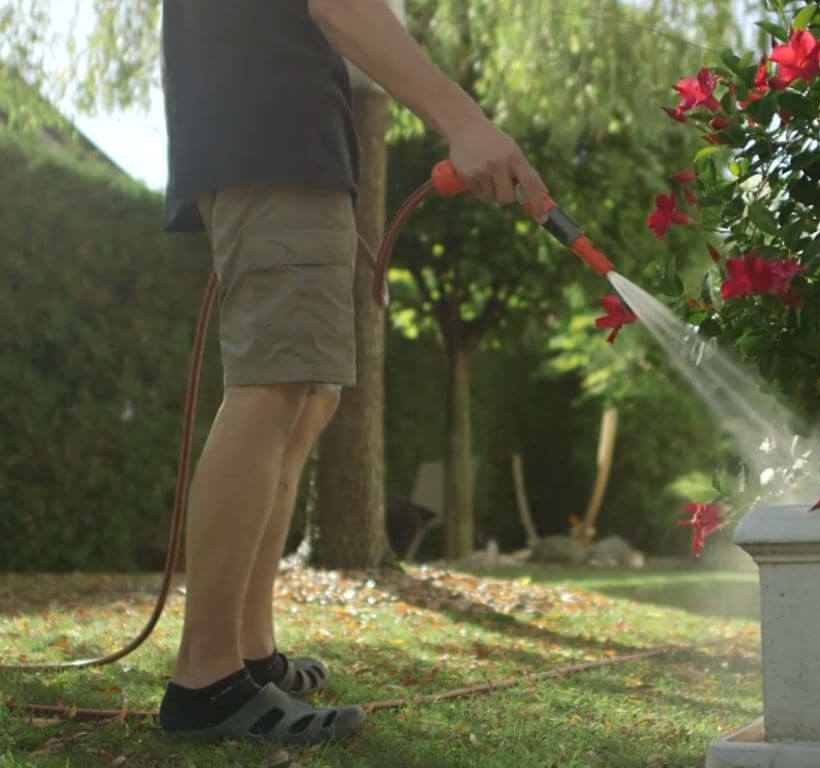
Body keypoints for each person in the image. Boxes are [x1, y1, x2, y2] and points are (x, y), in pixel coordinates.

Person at [156, 0, 548, 744]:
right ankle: (205, 681)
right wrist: (465, 122)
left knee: (306, 399)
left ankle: (248, 650)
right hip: (270, 146)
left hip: (284, 149)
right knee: (272, 388)